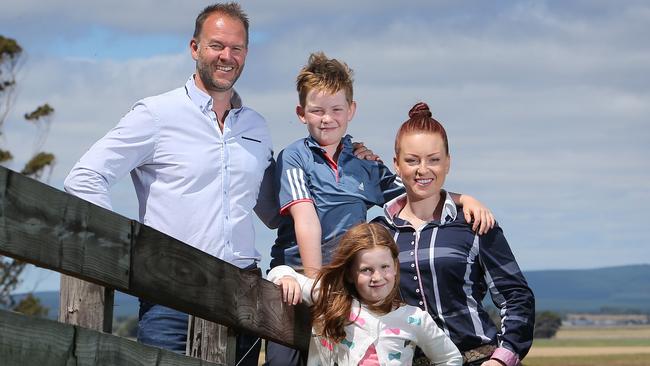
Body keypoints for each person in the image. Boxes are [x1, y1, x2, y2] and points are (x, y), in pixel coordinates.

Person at [64, 3, 274, 364]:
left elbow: (274, 211)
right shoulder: (157, 114)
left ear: (246, 54)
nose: (227, 56)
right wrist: (124, 249)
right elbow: (84, 177)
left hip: (244, 299)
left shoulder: (256, 127)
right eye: (216, 45)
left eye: (236, 48)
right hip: (171, 298)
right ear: (195, 48)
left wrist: (347, 158)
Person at [266, 52, 495, 365]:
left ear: (351, 110)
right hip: (299, 280)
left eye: (336, 109)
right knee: (284, 360)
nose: (327, 118)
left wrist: (462, 199)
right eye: (316, 110)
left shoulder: (363, 163)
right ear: (301, 113)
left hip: (346, 286)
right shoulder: (294, 158)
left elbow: (415, 192)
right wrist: (320, 287)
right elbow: (307, 222)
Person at [373, 102, 535, 366]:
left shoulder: (474, 223)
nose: (422, 169)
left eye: (434, 160)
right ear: (397, 165)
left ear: (447, 162)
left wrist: (502, 359)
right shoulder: (380, 234)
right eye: (412, 160)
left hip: (478, 358)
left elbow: (516, 296)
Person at [268, 222, 463, 366]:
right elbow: (278, 272)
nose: (377, 277)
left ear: (395, 267)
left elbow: (450, 358)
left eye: (384, 267)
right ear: (351, 274)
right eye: (366, 270)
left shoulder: (414, 319)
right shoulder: (332, 299)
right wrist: (287, 279)